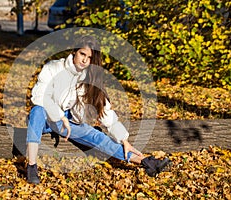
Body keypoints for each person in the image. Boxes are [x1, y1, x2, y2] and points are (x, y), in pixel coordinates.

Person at [26, 35, 171, 184]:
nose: (84, 60)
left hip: (67, 122)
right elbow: (39, 96)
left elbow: (105, 112)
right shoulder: (53, 67)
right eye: (82, 54)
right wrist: (59, 115)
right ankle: (31, 166)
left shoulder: (89, 79)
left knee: (97, 136)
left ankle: (146, 162)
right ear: (75, 52)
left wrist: (124, 139)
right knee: (36, 111)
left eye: (89, 58)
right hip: (45, 118)